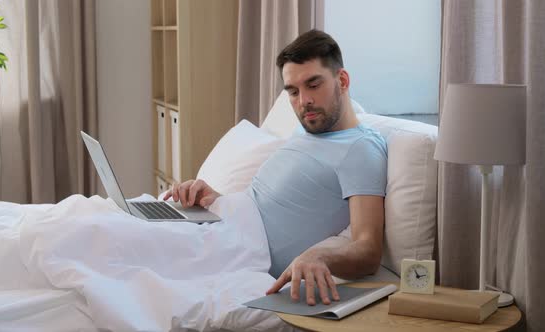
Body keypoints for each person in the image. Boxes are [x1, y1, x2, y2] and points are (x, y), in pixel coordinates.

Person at [163, 29, 387, 306]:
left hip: (239, 249)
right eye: (293, 91)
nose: (303, 101)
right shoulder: (305, 132)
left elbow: (369, 249)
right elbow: (269, 206)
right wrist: (214, 198)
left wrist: (319, 256)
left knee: (106, 244)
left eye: (313, 85)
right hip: (221, 223)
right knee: (111, 224)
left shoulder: (360, 148)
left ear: (342, 80)